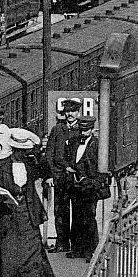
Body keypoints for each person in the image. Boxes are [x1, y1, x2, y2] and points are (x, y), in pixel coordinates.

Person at [0, 128, 57, 277]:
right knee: (9, 247)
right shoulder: (1, 165)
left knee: (34, 247)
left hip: (28, 209)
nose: (24, 154)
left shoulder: (31, 164)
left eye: (26, 151)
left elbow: (46, 168)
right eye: (21, 151)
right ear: (14, 150)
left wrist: (37, 155)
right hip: (8, 211)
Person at [45, 99, 82, 253]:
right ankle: (62, 243)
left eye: (72, 111)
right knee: (60, 211)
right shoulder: (57, 130)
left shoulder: (81, 130)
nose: (69, 114)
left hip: (76, 178)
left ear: (78, 113)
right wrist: (50, 174)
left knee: (78, 211)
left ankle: (76, 244)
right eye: (67, 111)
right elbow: (49, 154)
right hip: (60, 177)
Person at [65, 116, 103, 261]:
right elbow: (69, 158)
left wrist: (93, 182)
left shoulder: (97, 144)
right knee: (76, 218)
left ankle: (91, 251)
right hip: (76, 186)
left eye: (86, 130)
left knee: (89, 218)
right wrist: (69, 167)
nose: (83, 132)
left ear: (92, 130)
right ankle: (77, 249)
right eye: (81, 129)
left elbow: (100, 166)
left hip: (90, 187)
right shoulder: (74, 142)